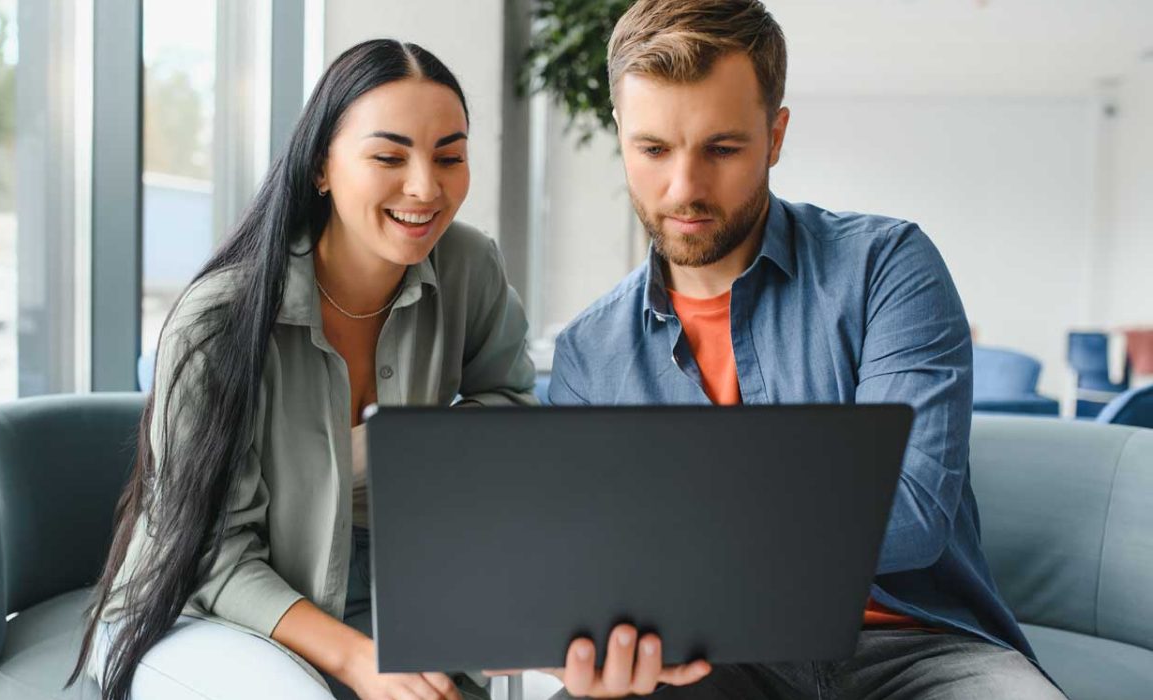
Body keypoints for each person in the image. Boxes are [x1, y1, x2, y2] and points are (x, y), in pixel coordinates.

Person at [540, 1, 1064, 697]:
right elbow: (590, 558)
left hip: (912, 647)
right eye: (654, 149)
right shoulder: (588, 353)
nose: (685, 188)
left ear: (775, 134)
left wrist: (670, 540)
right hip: (705, 657)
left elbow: (909, 512)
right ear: (621, 137)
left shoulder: (887, 266)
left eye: (722, 149)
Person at [71, 39, 535, 700]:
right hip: (199, 602)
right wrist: (358, 660)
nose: (426, 187)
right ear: (322, 166)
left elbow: (513, 399)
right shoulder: (217, 322)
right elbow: (213, 554)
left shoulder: (468, 266)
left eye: (450, 156)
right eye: (388, 156)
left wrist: (434, 455)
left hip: (384, 577)